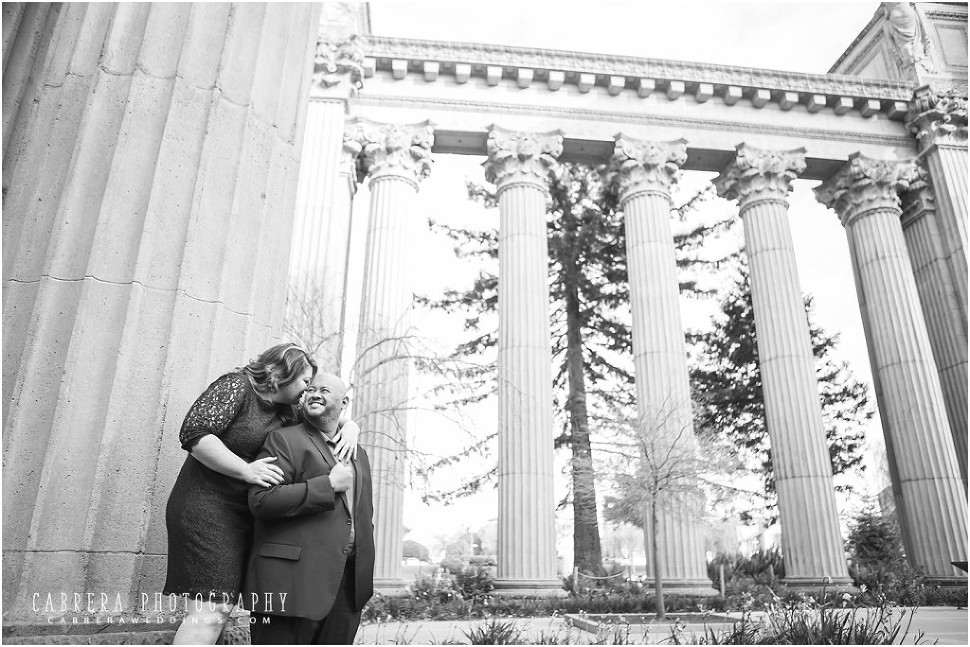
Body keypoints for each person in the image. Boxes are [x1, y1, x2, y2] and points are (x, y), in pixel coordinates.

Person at [164, 344, 359, 645]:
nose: (309, 391)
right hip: (206, 508)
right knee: (211, 611)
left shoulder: (287, 411)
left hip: (245, 516)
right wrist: (246, 470)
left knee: (219, 611)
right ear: (281, 372)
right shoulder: (237, 386)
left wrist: (352, 426)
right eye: (306, 382)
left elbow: (326, 416)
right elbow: (195, 434)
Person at [243, 372, 375, 645]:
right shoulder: (283, 440)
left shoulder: (359, 453)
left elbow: (363, 516)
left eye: (324, 390)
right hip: (291, 585)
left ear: (344, 403)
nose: (314, 393)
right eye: (311, 388)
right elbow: (262, 500)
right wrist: (327, 485)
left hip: (347, 590)